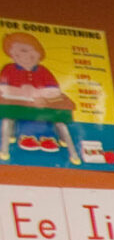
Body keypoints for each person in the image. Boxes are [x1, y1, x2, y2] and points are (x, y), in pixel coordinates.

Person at [0, 32, 80, 166]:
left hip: (44, 106)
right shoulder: (8, 69)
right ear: (12, 56)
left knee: (60, 120)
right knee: (8, 117)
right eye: (17, 54)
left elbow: (54, 90)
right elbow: (2, 88)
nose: (24, 57)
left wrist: (40, 94)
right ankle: (5, 147)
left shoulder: (43, 71)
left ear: (39, 54)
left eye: (29, 52)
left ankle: (67, 146)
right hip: (16, 105)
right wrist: (20, 91)